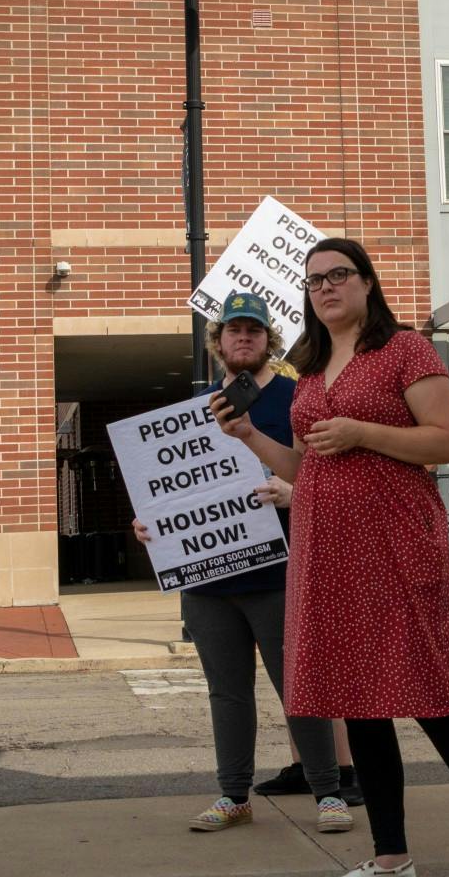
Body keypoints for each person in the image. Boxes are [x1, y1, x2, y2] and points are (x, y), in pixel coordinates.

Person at [214, 238, 449, 877]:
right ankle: (390, 857)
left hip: (395, 540)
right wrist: (250, 438)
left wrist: (364, 432)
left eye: (339, 276)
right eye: (314, 281)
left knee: (431, 695)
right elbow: (307, 468)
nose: (326, 288)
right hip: (327, 551)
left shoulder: (404, 349)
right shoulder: (309, 365)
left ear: (366, 282)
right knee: (358, 700)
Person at [132, 293, 353, 835]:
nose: (244, 338)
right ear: (219, 342)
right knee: (226, 692)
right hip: (207, 580)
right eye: (234, 330)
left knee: (298, 685)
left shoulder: (298, 396)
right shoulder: (192, 411)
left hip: (279, 572)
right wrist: (151, 528)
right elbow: (168, 491)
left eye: (254, 330)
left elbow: (326, 477)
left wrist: (294, 491)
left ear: (268, 339)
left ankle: (327, 792)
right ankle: (233, 794)